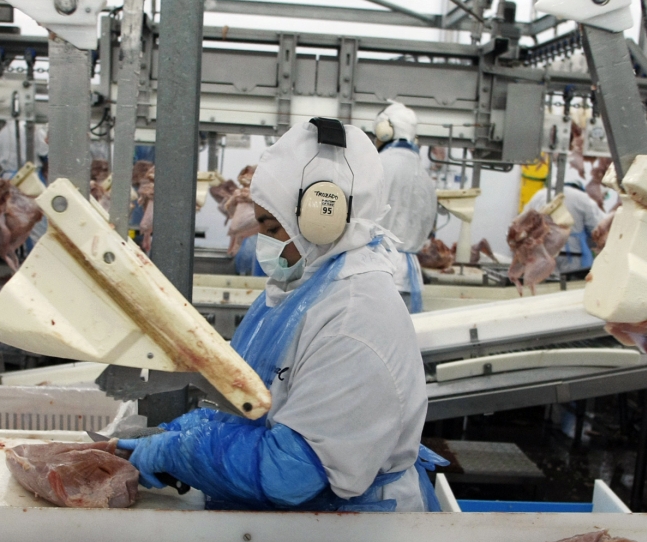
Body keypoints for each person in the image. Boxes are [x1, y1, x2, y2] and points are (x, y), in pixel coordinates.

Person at [117, 118, 442, 512]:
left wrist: (180, 453)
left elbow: (290, 474)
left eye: (273, 226)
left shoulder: (354, 320)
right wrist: (180, 434)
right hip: (304, 523)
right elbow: (246, 407)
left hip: (355, 537)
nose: (264, 242)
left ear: (323, 219)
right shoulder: (301, 287)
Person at [374, 102, 438, 312]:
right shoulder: (425, 175)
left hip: (377, 271)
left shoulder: (375, 165)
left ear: (384, 131)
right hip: (411, 276)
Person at [522, 167, 604, 276]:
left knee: (546, 288)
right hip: (574, 256)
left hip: (543, 253)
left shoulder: (539, 195)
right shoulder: (583, 198)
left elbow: (522, 223)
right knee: (571, 288)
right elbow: (596, 229)